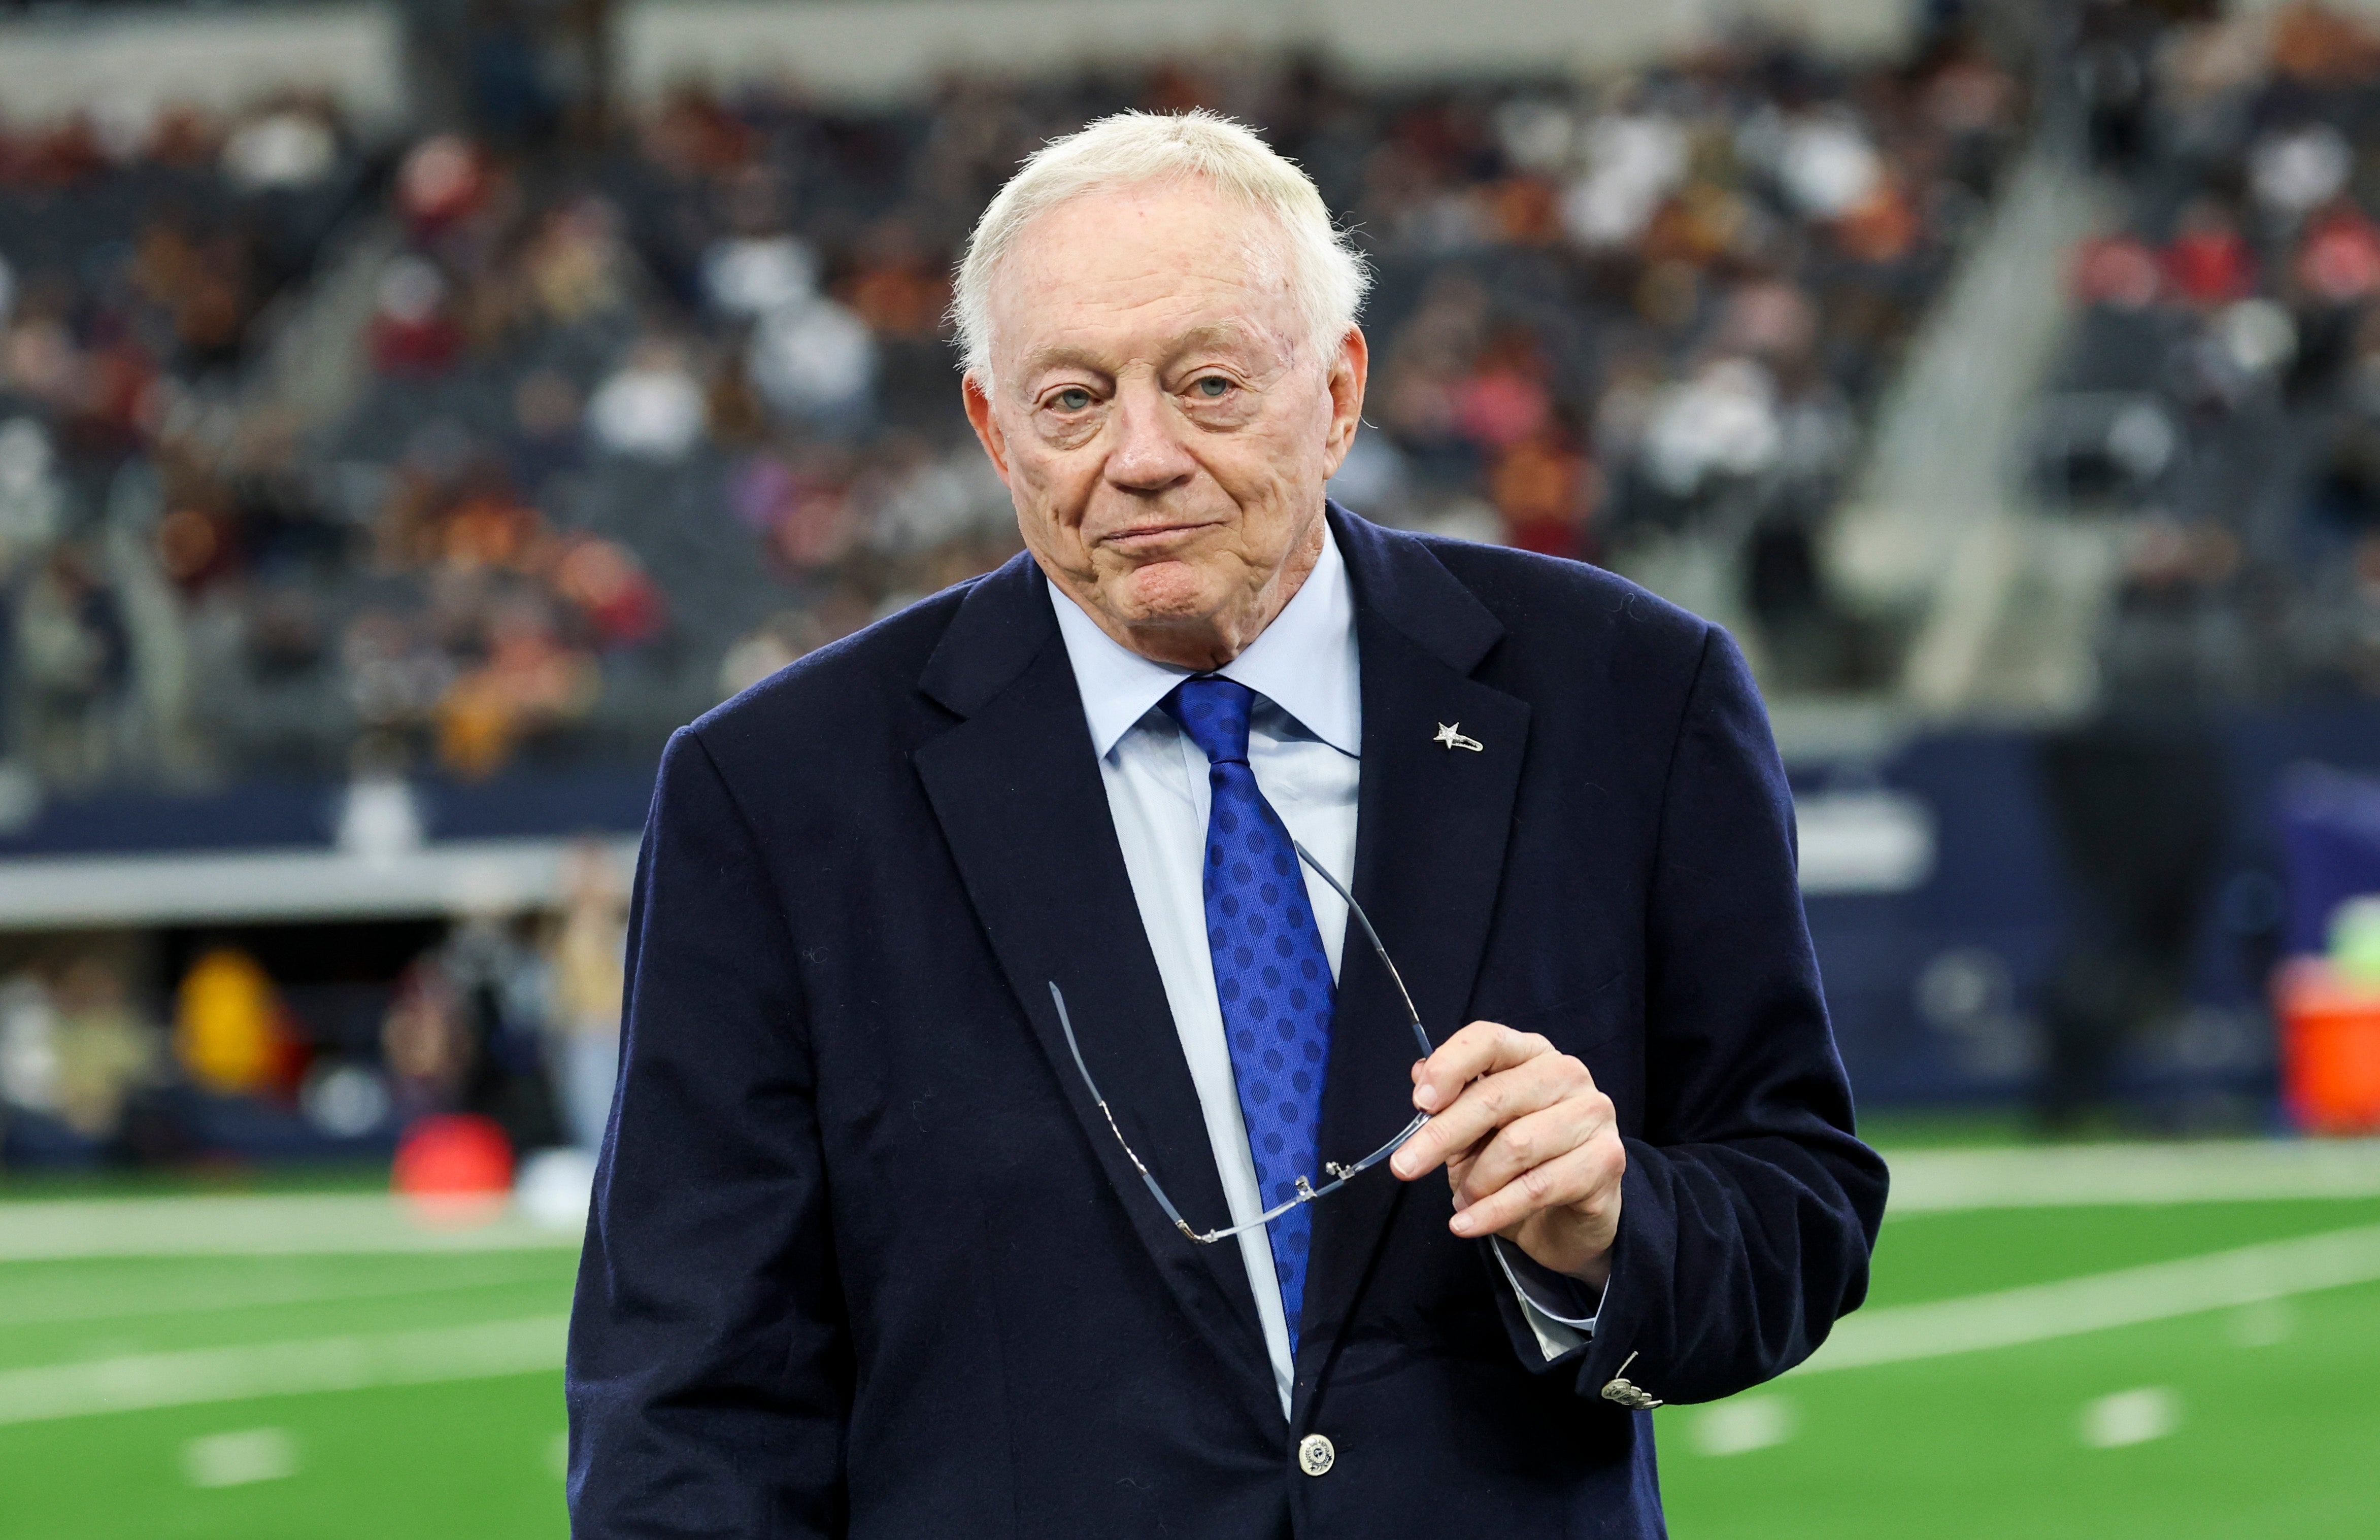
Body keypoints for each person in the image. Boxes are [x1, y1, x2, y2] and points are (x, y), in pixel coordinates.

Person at [567, 111, 1886, 1538]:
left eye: (1206, 384)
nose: (1141, 456)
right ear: (989, 429)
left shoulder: (1630, 698)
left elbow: (1797, 1209)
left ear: (1336, 391)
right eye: (1072, 400)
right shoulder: (776, 793)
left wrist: (1614, 1226)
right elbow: (687, 1403)